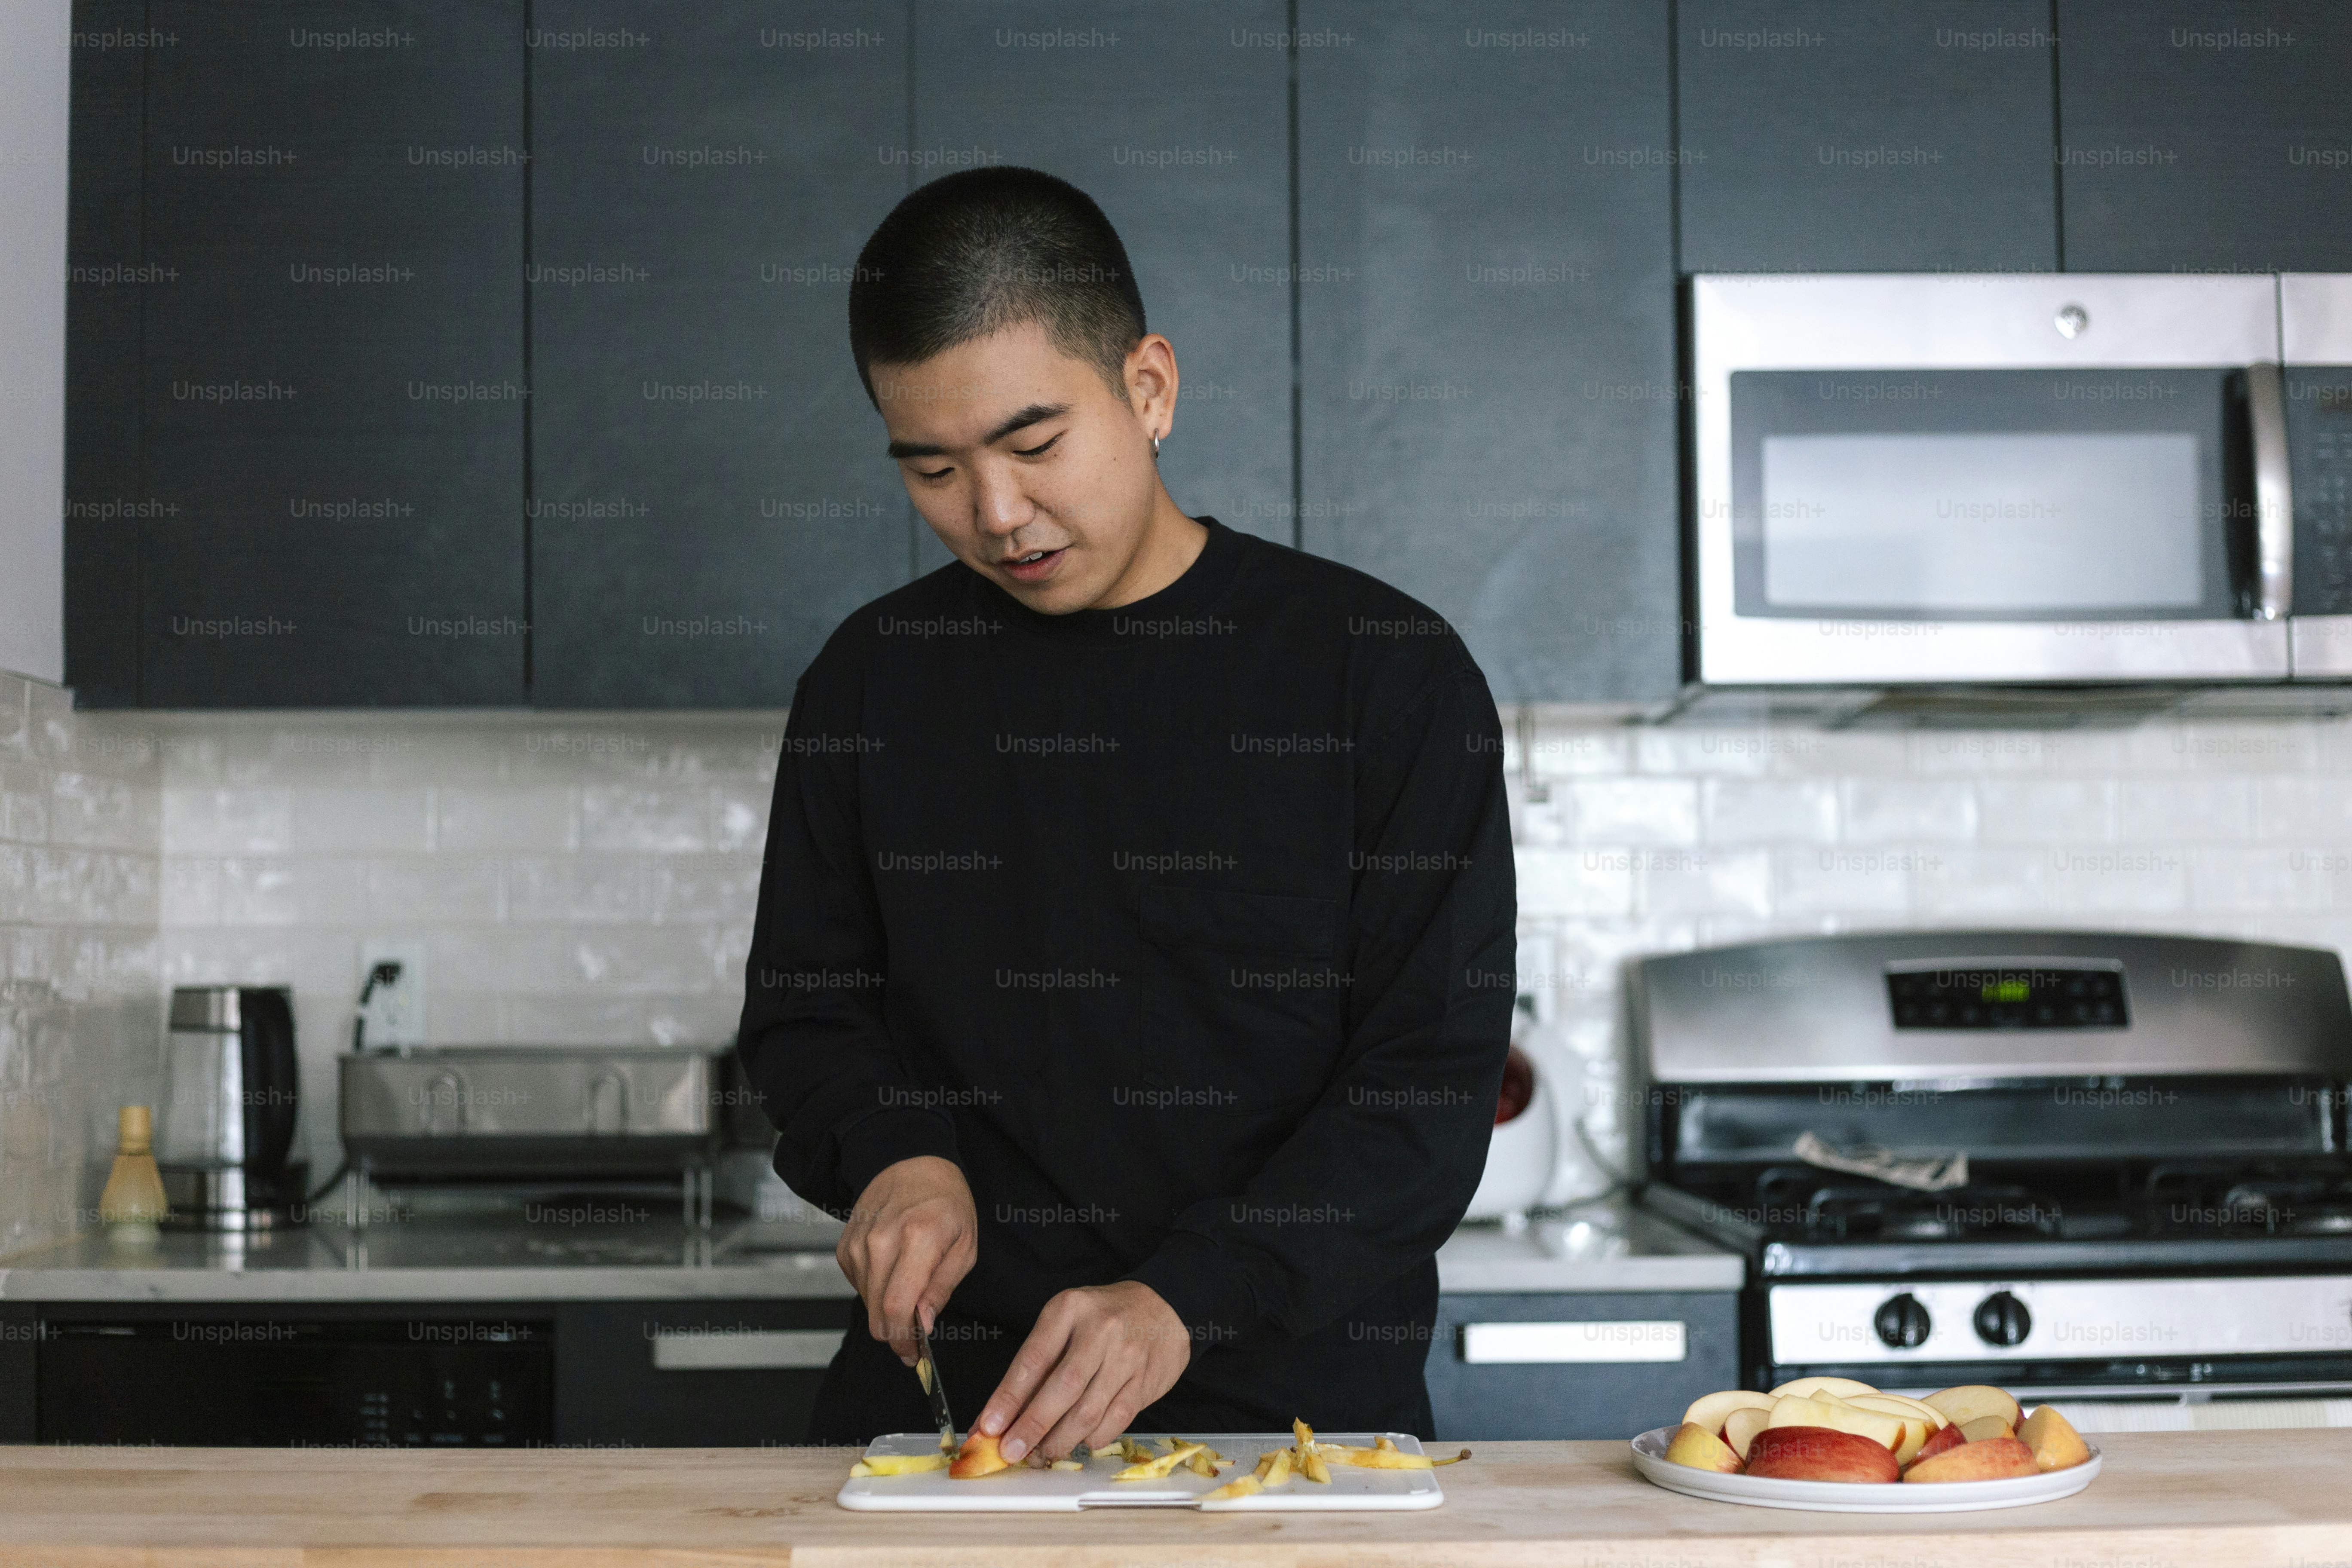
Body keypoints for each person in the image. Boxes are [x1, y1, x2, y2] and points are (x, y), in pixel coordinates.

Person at [737, 166, 1515, 1463]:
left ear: (1148, 389)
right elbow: (809, 1012)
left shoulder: (1382, 672)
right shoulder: (871, 682)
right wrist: (897, 1156)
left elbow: (1423, 1096)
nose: (993, 515)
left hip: (1299, 1435)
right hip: (946, 1430)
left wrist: (1182, 1304)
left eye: (1034, 446)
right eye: (932, 468)